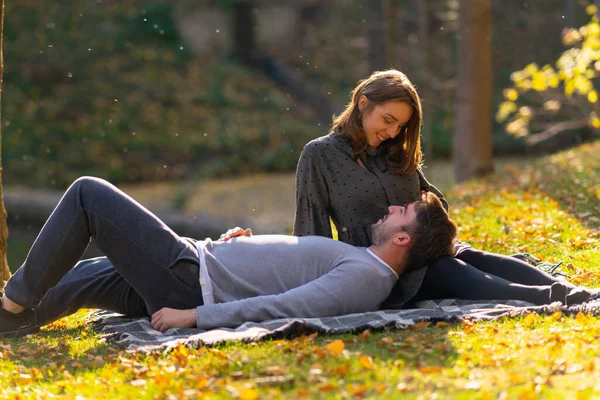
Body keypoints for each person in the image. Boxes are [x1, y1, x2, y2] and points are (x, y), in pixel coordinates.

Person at [0, 177, 457, 338]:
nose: (393, 208)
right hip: (199, 267)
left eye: (404, 213)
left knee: (87, 195)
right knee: (75, 281)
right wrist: (238, 248)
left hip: (188, 280)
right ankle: (11, 318)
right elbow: (281, 276)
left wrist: (194, 317)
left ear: (403, 240)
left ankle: (12, 300)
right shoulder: (364, 260)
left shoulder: (366, 277)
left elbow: (288, 309)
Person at [294, 69, 598, 308]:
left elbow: (434, 198)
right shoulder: (319, 155)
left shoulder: (393, 150)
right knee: (448, 270)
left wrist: (425, 224)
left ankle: (578, 292)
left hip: (428, 248)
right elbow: (311, 235)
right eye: (387, 120)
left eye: (399, 126)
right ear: (363, 103)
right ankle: (561, 299)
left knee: (475, 258)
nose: (391, 132)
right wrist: (324, 290)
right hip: (380, 266)